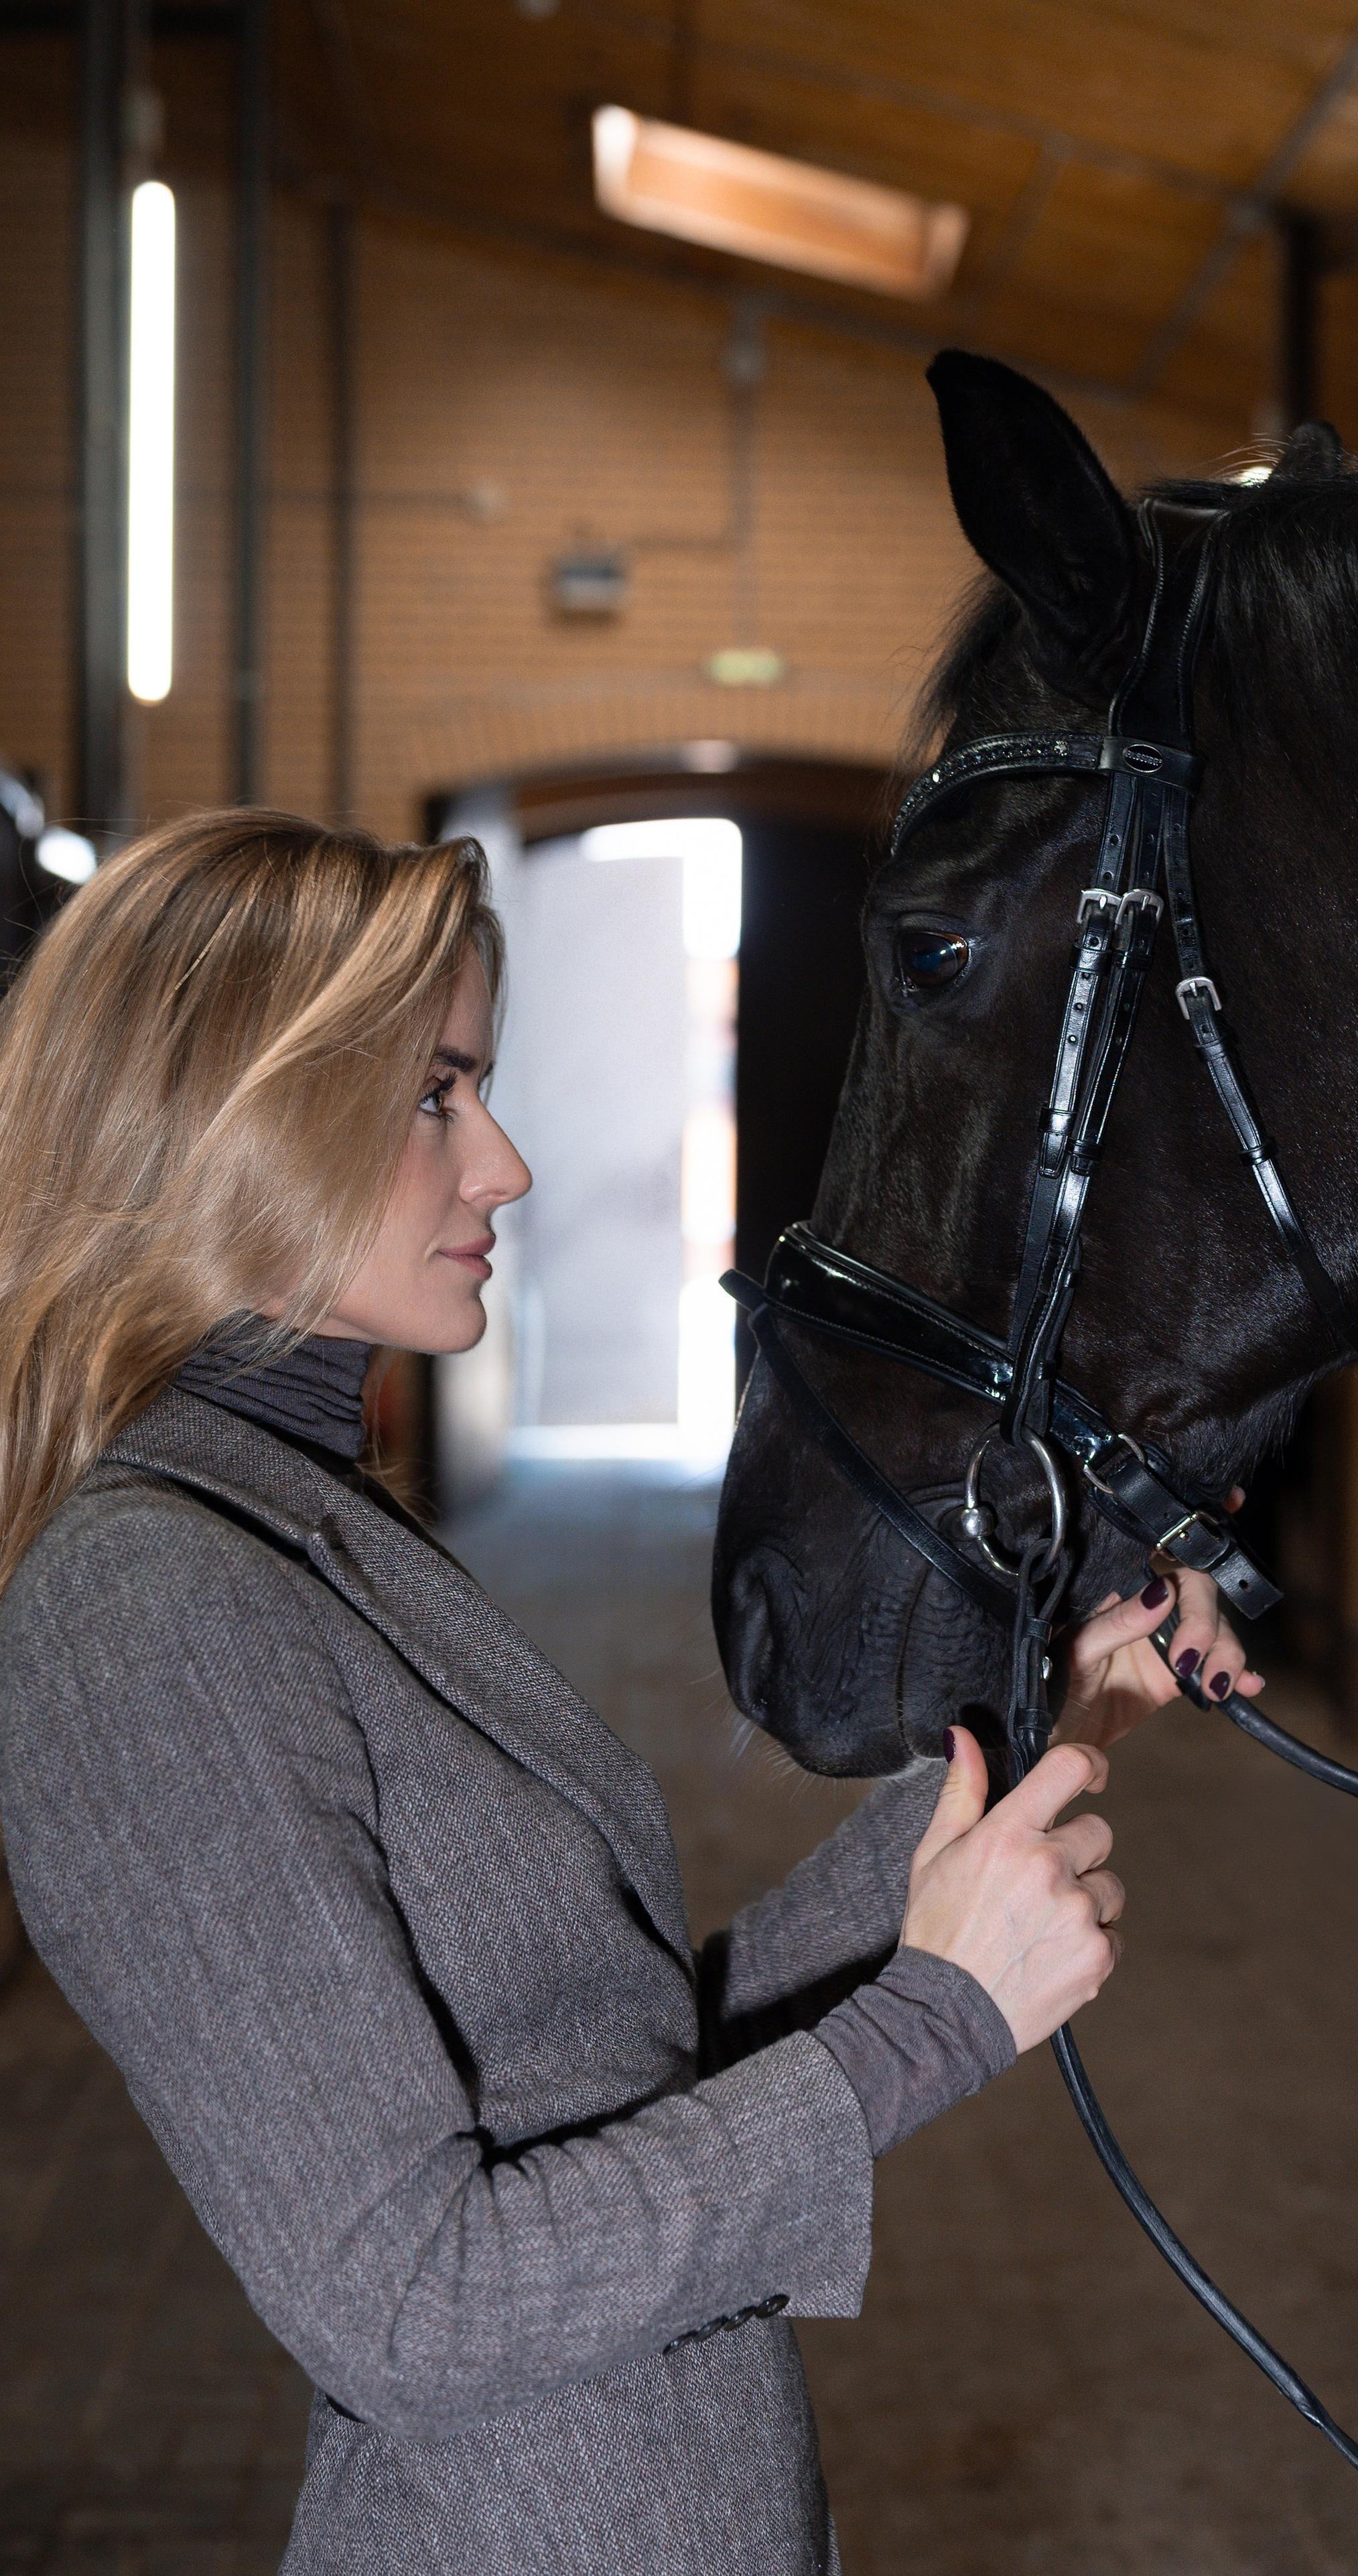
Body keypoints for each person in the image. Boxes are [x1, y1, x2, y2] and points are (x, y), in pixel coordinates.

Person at [0, 811, 1262, 2575]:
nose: (503, 1162)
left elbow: (616, 2064)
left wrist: (1050, 1716)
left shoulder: (292, 1522)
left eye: (480, 1088)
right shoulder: (148, 1607)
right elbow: (410, 2296)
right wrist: (928, 2025)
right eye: (436, 1092)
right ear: (232, 1110)